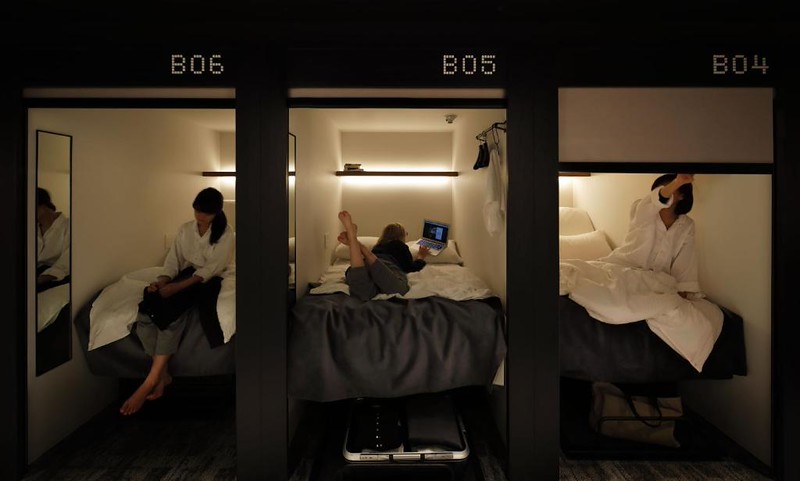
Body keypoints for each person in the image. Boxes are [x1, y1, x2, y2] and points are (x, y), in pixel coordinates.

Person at [120, 187, 234, 415]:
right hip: (184, 275)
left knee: (172, 313)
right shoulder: (185, 229)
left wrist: (177, 288)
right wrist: (162, 282)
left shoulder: (225, 233)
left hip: (206, 280)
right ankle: (163, 375)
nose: (199, 216)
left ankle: (150, 380)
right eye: (197, 211)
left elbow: (212, 268)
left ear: (216, 212)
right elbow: (173, 261)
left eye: (205, 213)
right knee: (146, 308)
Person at [598, 173, 699, 298]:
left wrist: (682, 290)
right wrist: (678, 182)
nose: (665, 191)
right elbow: (659, 198)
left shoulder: (687, 225)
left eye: (669, 188)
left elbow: (685, 259)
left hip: (656, 281)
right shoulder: (641, 209)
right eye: (660, 189)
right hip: (623, 268)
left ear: (682, 196)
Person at [337, 211, 429, 301]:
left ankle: (354, 241)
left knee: (362, 293)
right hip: (386, 266)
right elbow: (410, 267)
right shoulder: (400, 245)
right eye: (406, 233)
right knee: (400, 289)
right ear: (400, 235)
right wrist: (421, 256)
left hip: (366, 264)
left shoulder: (378, 246)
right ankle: (356, 242)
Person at [36, 188, 70, 292]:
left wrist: (41, 279)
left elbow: (66, 261)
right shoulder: (32, 229)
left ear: (42, 206)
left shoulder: (68, 226)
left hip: (55, 276)